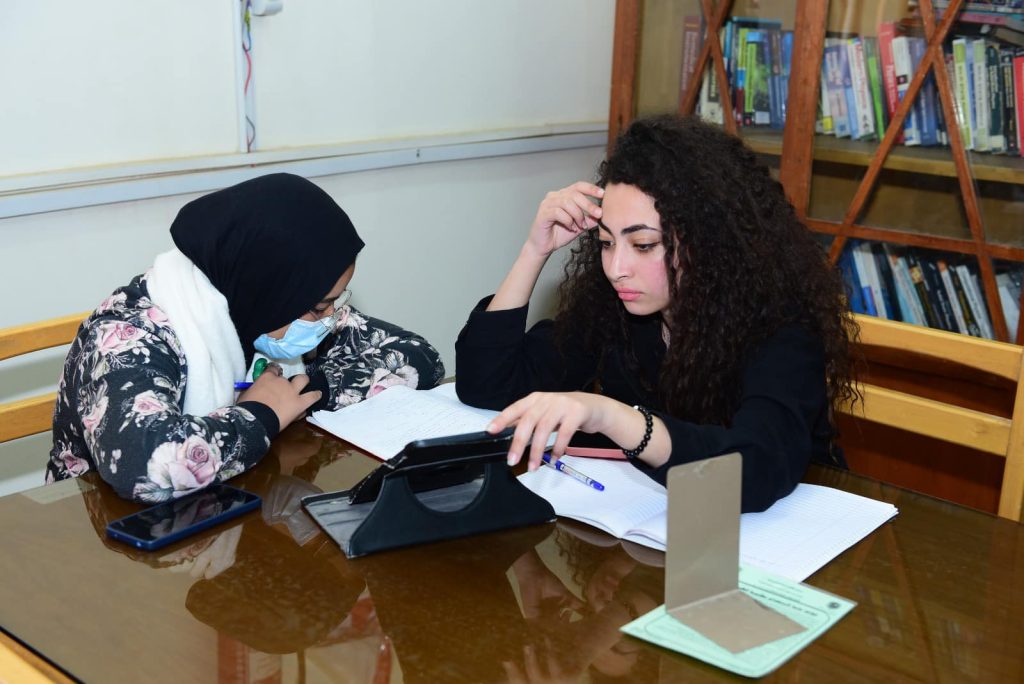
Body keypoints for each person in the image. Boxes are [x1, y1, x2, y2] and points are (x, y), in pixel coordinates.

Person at [455, 115, 857, 512]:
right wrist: (535, 250)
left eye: (643, 245)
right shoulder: (617, 309)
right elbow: (487, 385)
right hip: (672, 528)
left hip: (795, 530)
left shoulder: (782, 328)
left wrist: (614, 418)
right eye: (607, 243)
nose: (616, 268)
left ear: (708, 242)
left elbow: (752, 471)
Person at [49, 173, 444, 502]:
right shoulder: (128, 336)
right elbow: (145, 465)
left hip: (230, 505)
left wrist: (303, 390)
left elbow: (418, 357)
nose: (330, 318)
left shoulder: (255, 307)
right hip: (93, 539)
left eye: (335, 302)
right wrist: (262, 414)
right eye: (320, 306)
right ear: (268, 290)